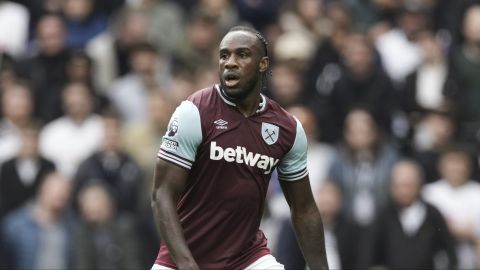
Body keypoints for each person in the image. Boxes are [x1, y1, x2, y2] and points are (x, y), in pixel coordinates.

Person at [151, 26, 328, 270]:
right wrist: (187, 264)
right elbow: (162, 195)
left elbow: (304, 208)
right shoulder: (194, 112)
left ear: (263, 64)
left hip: (247, 258)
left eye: (242, 55)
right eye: (224, 55)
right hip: (181, 260)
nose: (230, 63)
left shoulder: (287, 128)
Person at [363, 159, 457, 269]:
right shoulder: (383, 215)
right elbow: (368, 255)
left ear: (419, 184)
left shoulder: (433, 214)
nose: (403, 192)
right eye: (398, 186)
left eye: (407, 186)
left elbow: (448, 253)